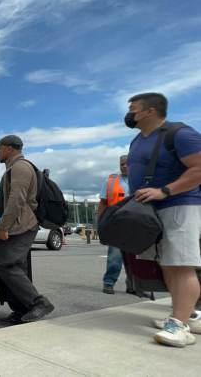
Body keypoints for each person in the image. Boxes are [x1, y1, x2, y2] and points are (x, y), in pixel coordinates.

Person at [126, 92, 201, 347]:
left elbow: (199, 168)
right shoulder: (137, 141)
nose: (129, 113)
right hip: (152, 210)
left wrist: (165, 190)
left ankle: (179, 327)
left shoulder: (180, 134)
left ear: (150, 111)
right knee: (168, 265)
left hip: (178, 204)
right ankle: (186, 315)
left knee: (181, 264)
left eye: (133, 108)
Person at [0, 135, 54, 324]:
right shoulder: (14, 167)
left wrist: (4, 226)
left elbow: (17, 199)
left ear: (10, 148)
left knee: (5, 264)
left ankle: (38, 303)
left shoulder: (20, 167)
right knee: (15, 266)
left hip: (21, 225)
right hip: (19, 224)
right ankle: (21, 309)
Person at [99, 155, 134, 295]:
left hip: (136, 223)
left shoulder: (141, 179)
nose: (124, 166)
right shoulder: (110, 181)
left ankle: (132, 284)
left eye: (127, 163)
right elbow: (103, 203)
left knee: (134, 257)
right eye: (122, 164)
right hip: (116, 223)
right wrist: (101, 221)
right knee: (115, 255)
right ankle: (108, 282)